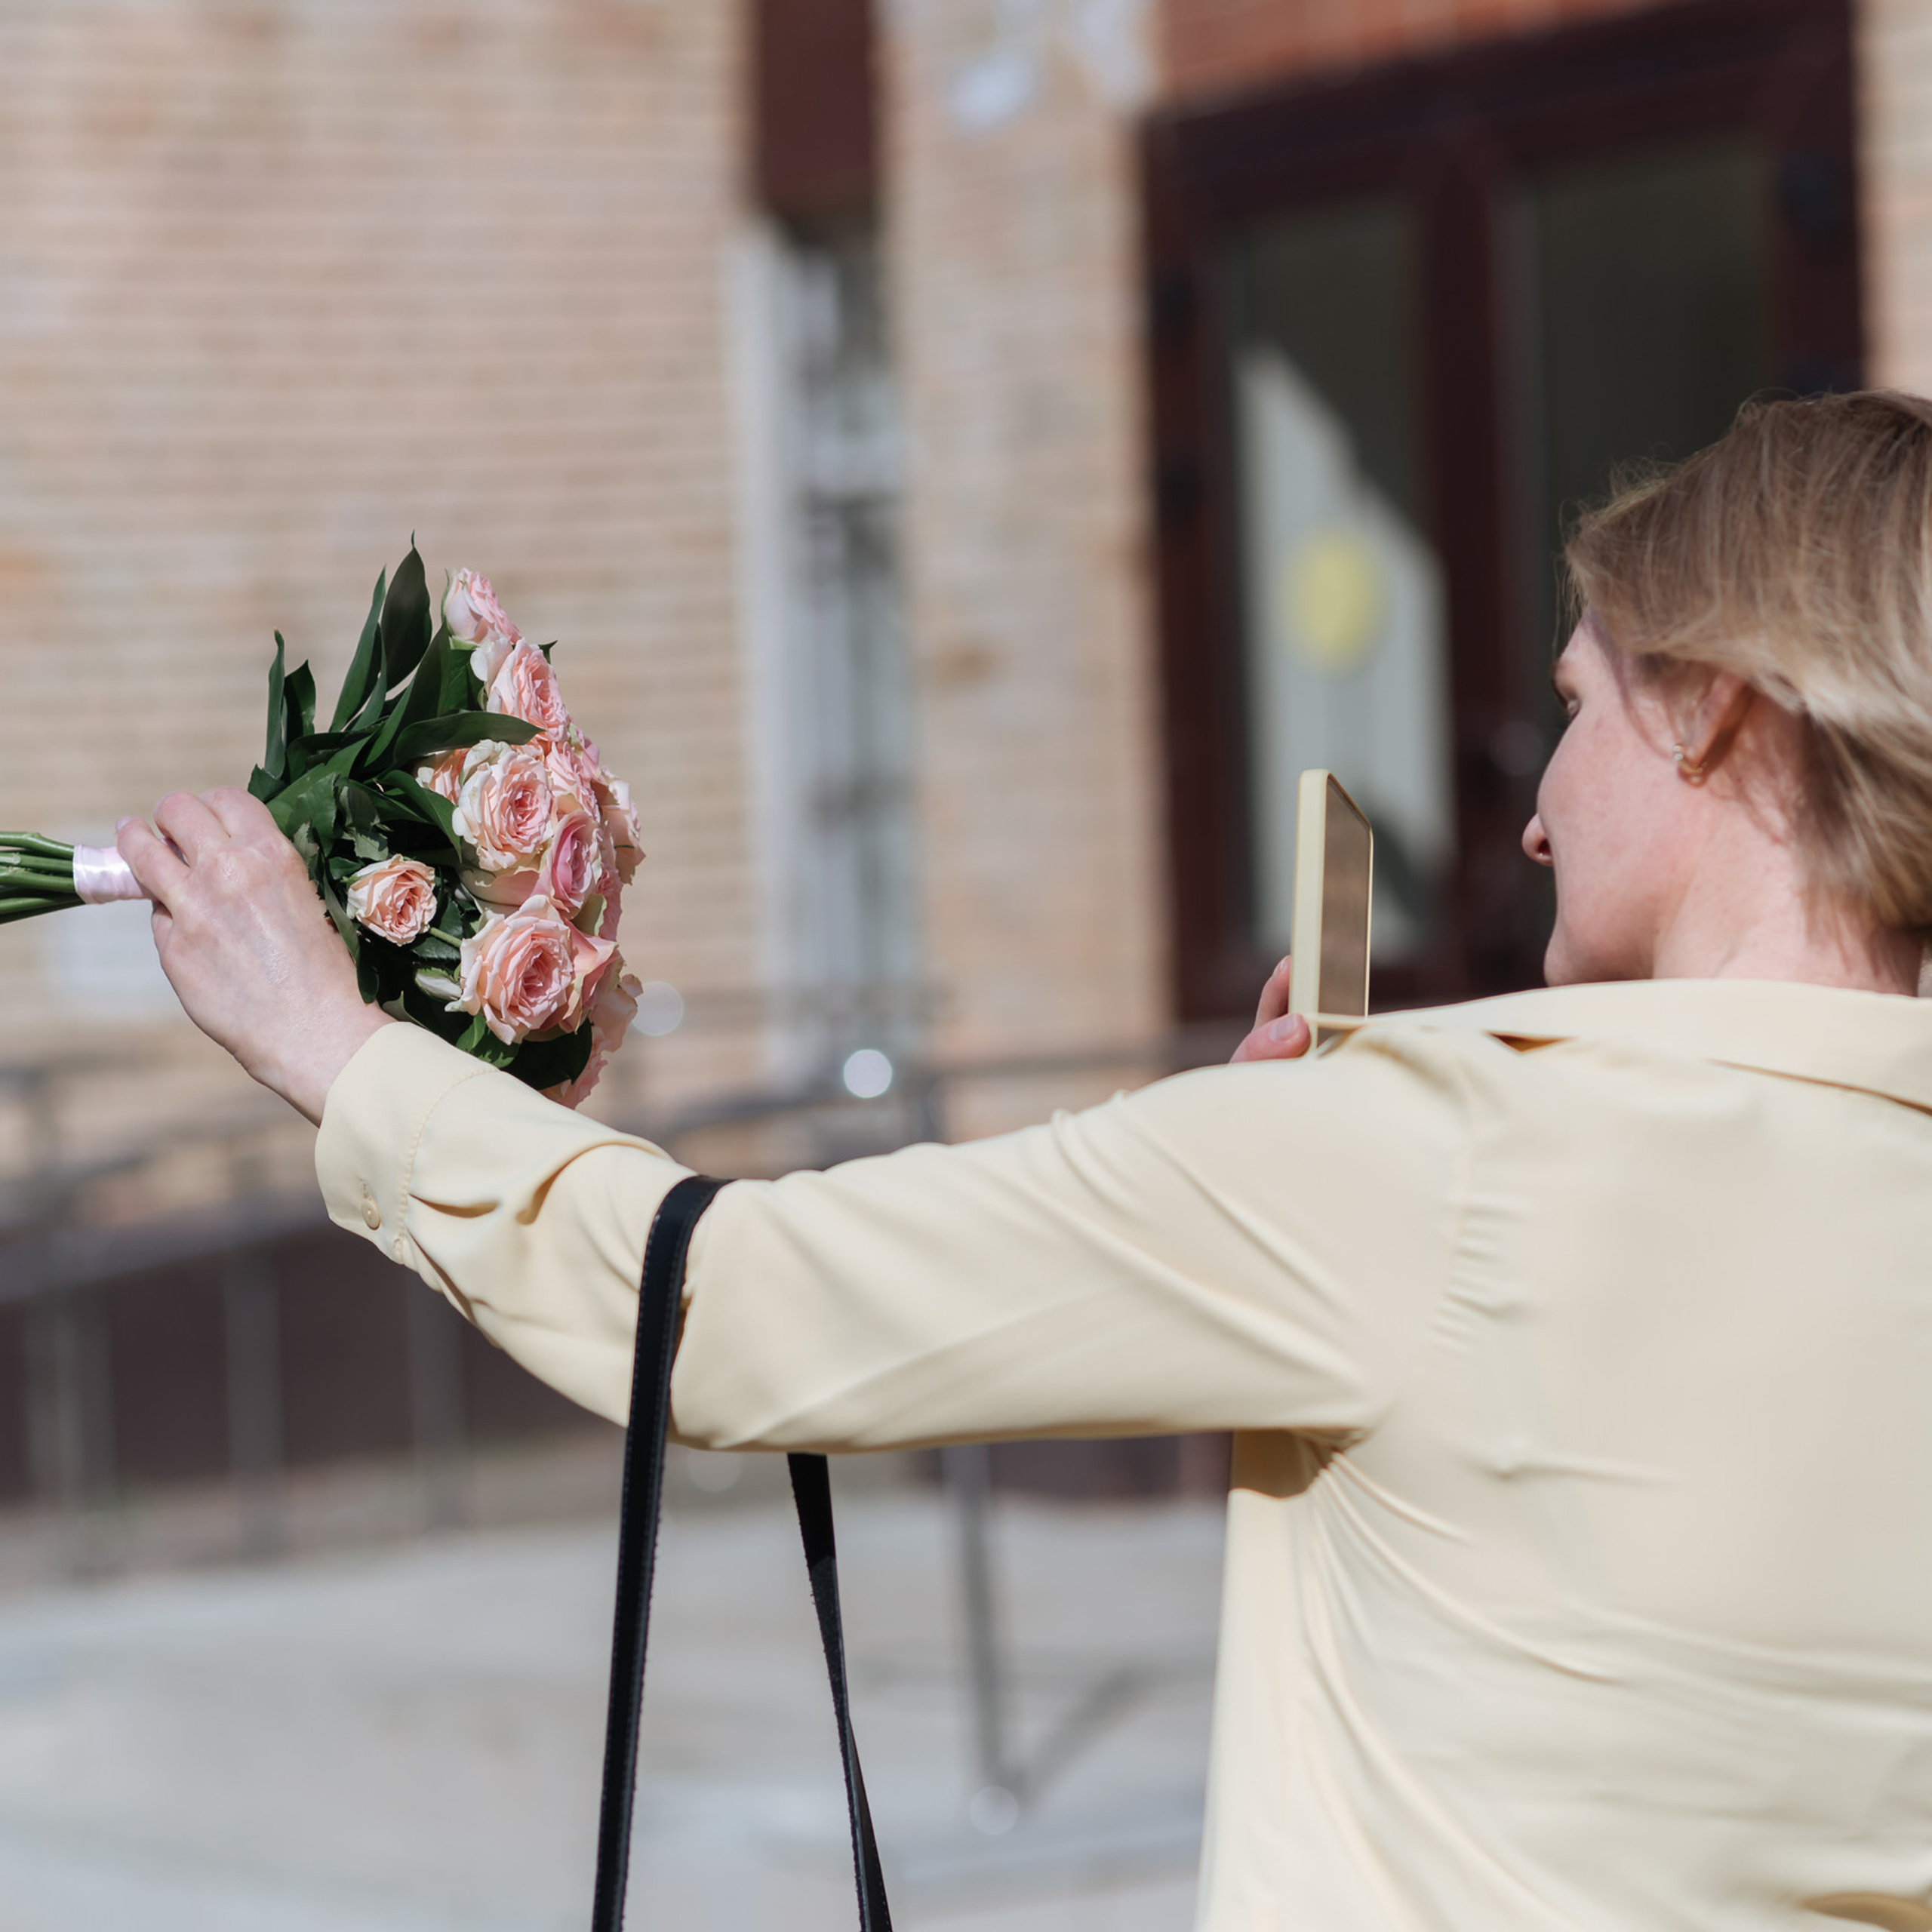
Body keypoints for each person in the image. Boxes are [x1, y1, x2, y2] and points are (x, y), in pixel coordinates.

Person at [118, 390, 1932, 1929]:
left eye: (1578, 702)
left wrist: (325, 1042)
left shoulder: (1426, 1155)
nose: (1533, 805)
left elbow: (729, 1305)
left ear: (1712, 709)